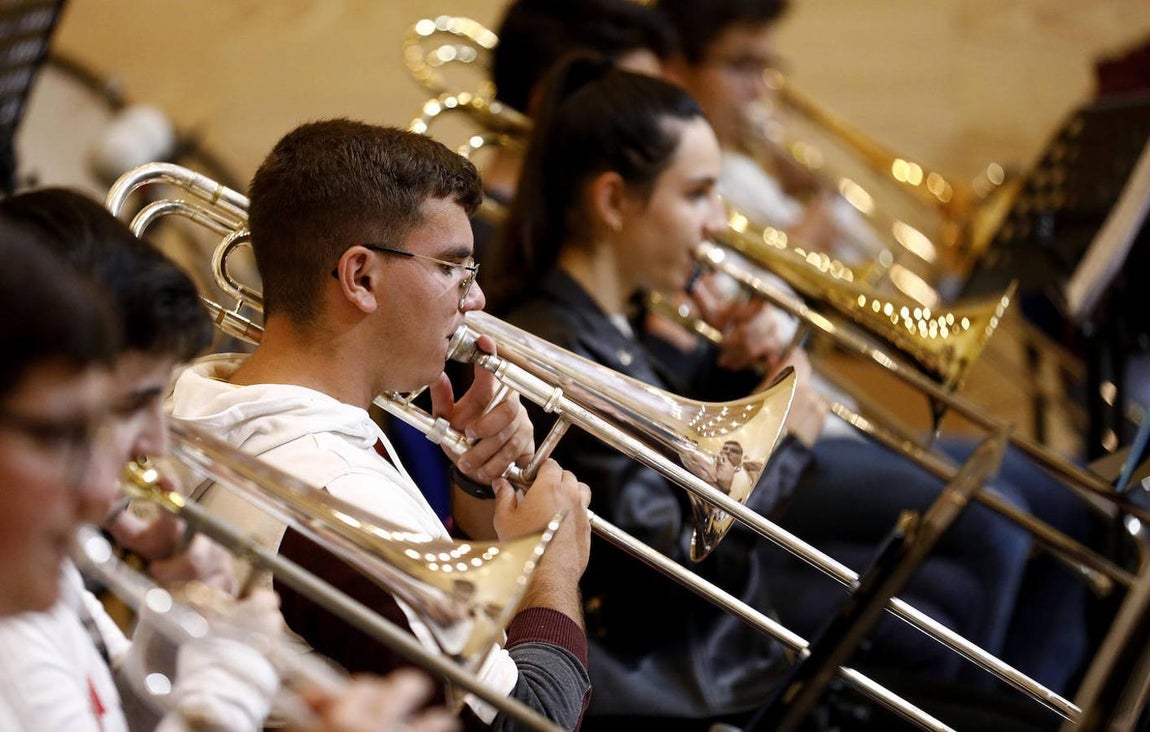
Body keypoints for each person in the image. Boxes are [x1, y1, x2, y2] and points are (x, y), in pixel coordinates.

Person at [485, 54, 1053, 726]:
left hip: (731, 640)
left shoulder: (610, 316)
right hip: (700, 664)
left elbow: (671, 461)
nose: (720, 222)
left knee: (975, 620)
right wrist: (785, 448)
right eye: (697, 194)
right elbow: (663, 575)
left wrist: (734, 377)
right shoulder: (553, 342)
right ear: (612, 201)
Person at [655, 0, 1112, 697]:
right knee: (1013, 513)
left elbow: (873, 304)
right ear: (676, 66)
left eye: (766, 66)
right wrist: (803, 237)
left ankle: (1064, 700)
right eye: (743, 66)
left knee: (1079, 492)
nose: (761, 89)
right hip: (790, 439)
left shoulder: (746, 171)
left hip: (821, 412)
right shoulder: (696, 178)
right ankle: (1004, 707)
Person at [168, 120, 594, 730]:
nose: (475, 303)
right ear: (361, 277)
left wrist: (477, 489)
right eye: (456, 270)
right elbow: (530, 720)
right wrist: (550, 565)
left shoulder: (218, 396)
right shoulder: (335, 493)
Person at [0, 187, 462, 732]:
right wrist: (234, 669)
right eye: (60, 434)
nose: (149, 449)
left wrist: (179, 623)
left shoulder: (40, 581)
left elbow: (108, 717)